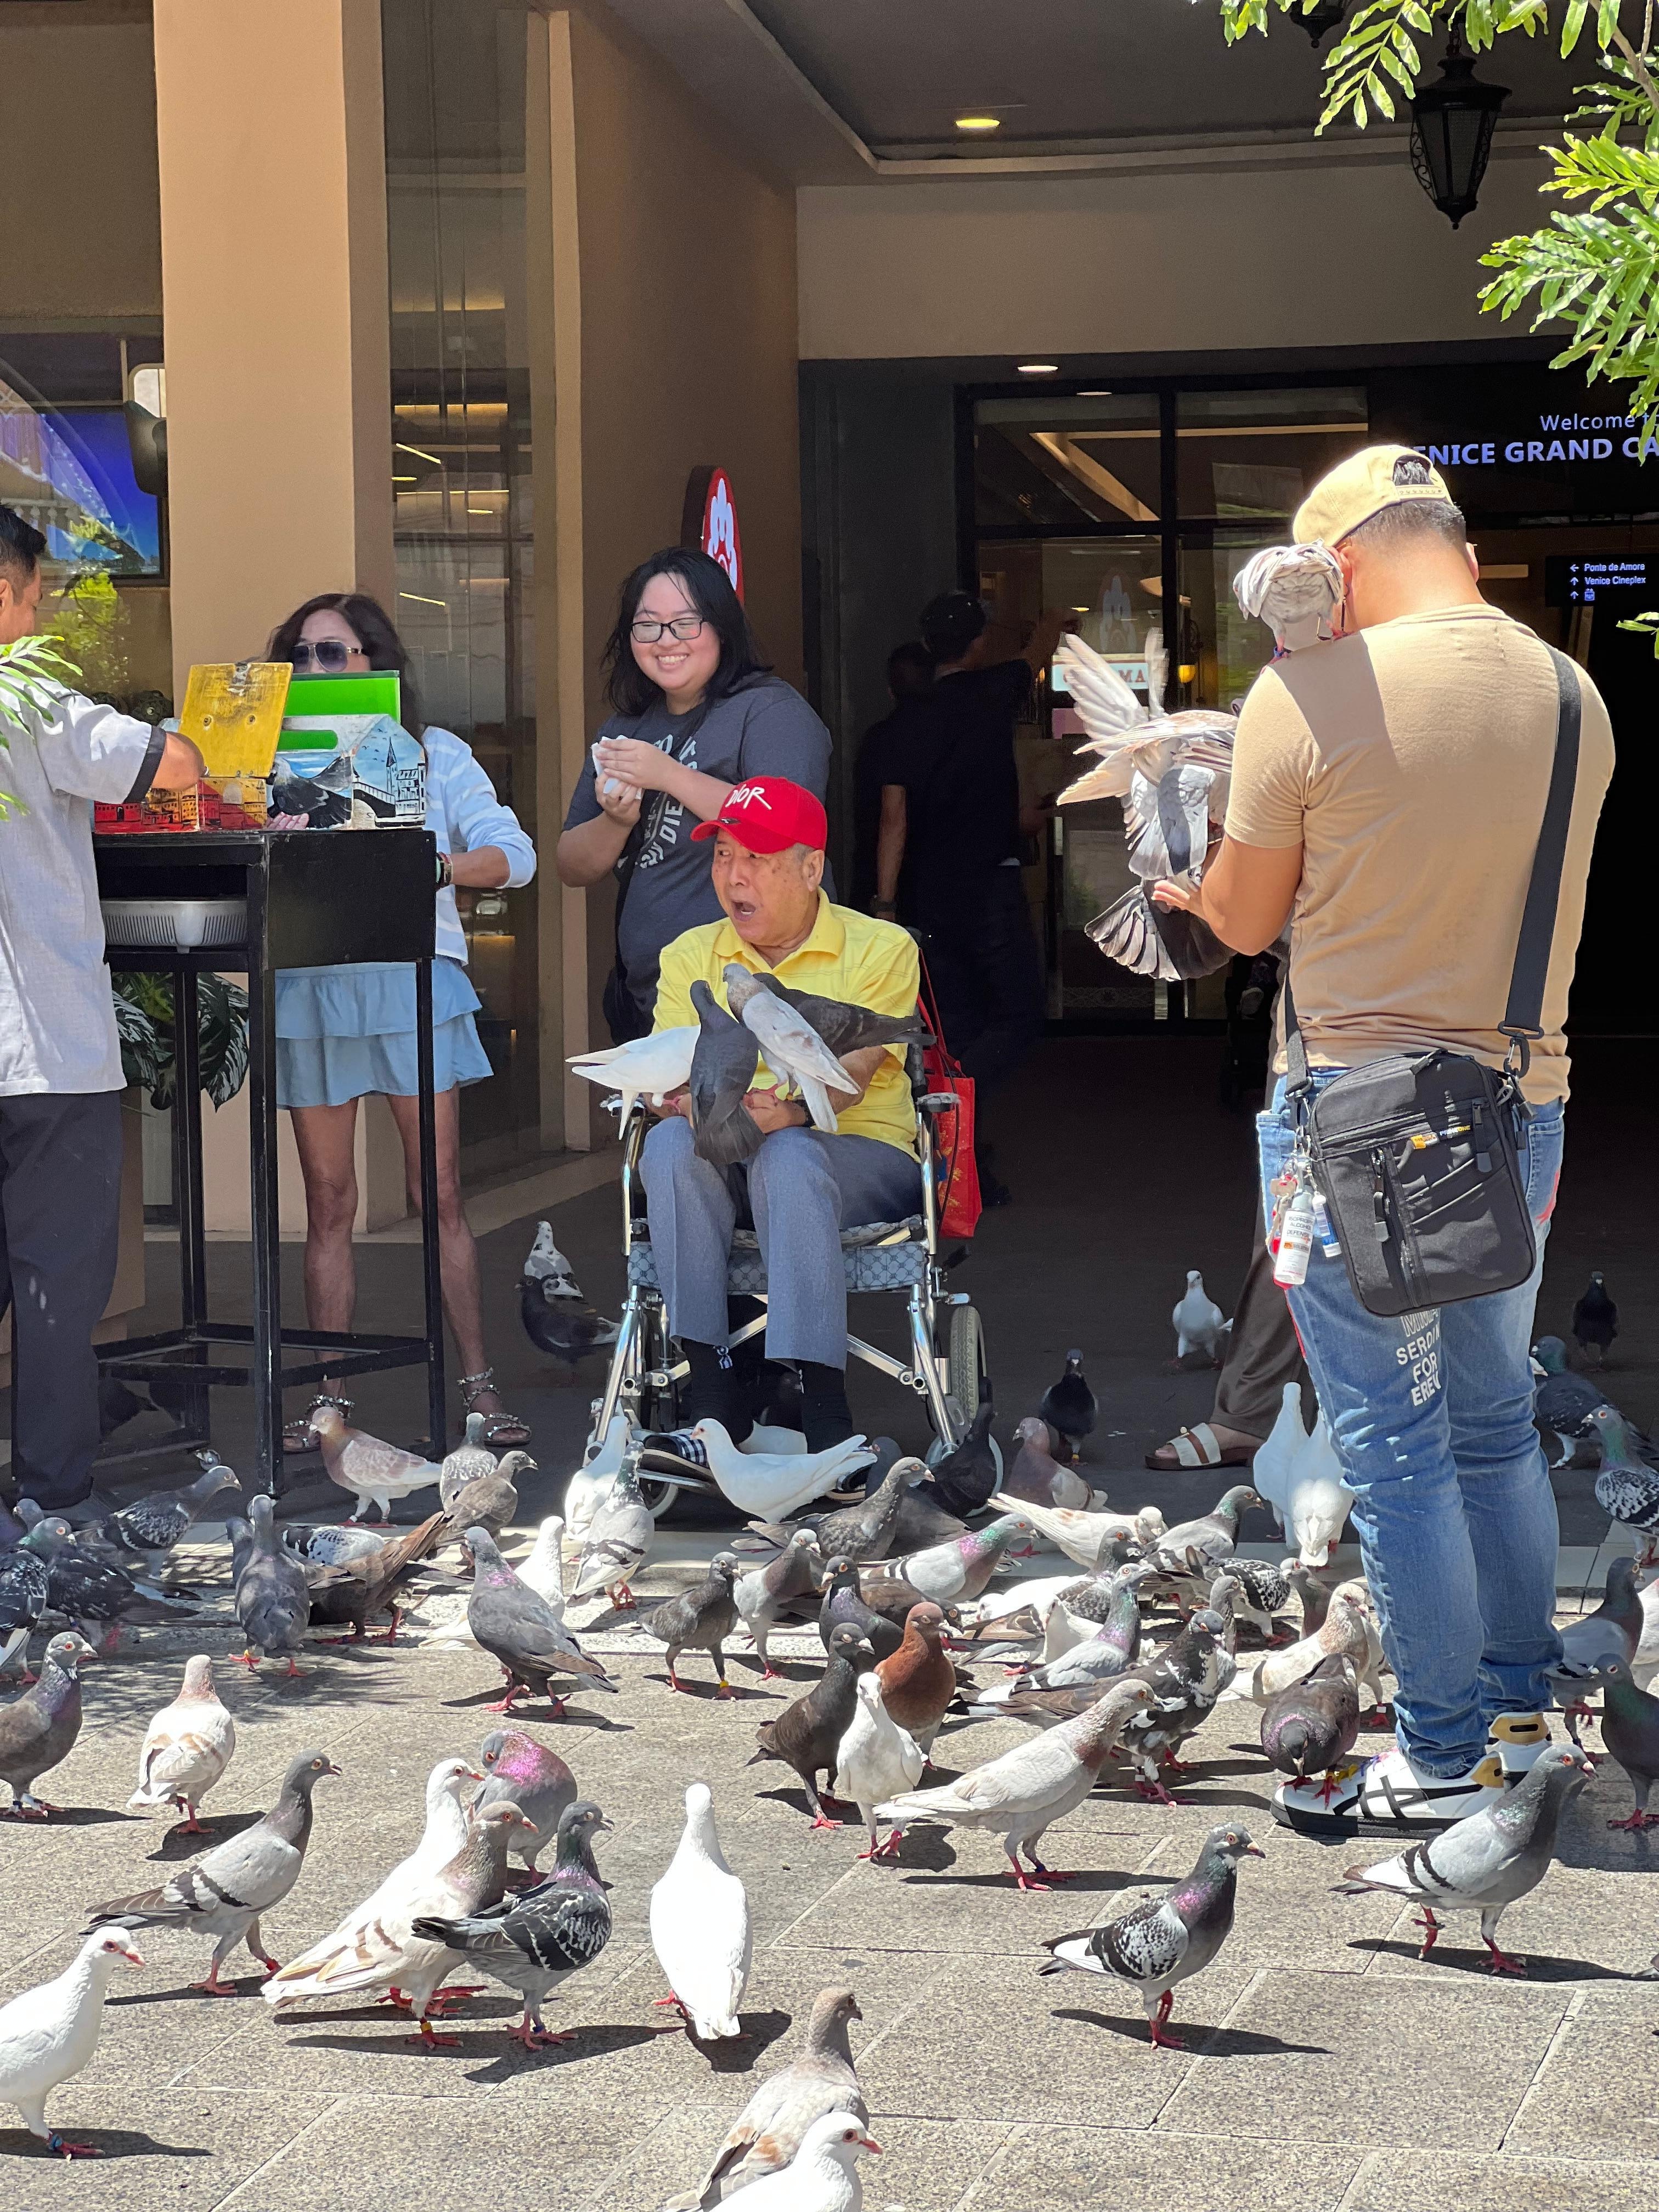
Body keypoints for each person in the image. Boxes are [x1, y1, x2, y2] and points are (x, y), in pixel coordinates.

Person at [1153, 447, 1613, 1832]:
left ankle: (1438, 1753)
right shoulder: (1574, 694)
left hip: (1352, 1122)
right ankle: (1523, 1717)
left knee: (1390, 1445)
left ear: (1337, 570)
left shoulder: (1306, 694)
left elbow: (1238, 921)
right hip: (1522, 1104)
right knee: (1492, 1425)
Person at [266, 591, 536, 1451]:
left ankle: (480, 1389)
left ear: (377, 662)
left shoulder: (434, 751)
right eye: (301, 654)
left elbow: (515, 856)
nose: (314, 668)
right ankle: (327, 1400)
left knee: (441, 1194)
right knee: (329, 1201)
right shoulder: (266, 751)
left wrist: (427, 862)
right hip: (313, 977)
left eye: (333, 654)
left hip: (415, 977)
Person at [0, 503, 202, 1511]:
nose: (40, 618)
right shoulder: (33, 703)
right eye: (37, 597)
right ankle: (49, 1503)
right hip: (46, 1047)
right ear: (5, 591)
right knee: (51, 1291)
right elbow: (173, 767)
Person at [639, 777, 923, 1462]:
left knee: (790, 1155)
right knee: (672, 1145)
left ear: (811, 868)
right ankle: (710, 1395)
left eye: (757, 860)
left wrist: (788, 1113)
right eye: (723, 856)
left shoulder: (881, 948)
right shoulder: (691, 956)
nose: (735, 877)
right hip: (725, 1158)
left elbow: (853, 1081)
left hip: (856, 1157)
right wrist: (666, 1098)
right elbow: (675, 1068)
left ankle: (825, 1400)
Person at [556, 548, 831, 1041]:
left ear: (722, 626)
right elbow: (571, 866)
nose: (666, 641)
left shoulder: (771, 711)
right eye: (648, 625)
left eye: (685, 623)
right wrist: (616, 822)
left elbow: (785, 831)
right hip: (652, 996)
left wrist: (667, 774)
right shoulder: (626, 727)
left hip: (763, 996)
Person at [874, 591, 1056, 1196]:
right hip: (989, 884)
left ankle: (958, 1157)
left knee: (955, 1020)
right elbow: (1037, 653)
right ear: (978, 643)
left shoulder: (908, 719)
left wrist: (884, 903)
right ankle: (948, 1102)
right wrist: (1050, 621)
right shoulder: (991, 693)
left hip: (927, 893)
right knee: (1020, 1014)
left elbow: (893, 818)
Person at [850, 640, 933, 912]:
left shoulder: (880, 739)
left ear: (890, 690)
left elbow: (891, 817)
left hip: (879, 875)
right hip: (937, 880)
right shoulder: (952, 737)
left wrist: (884, 900)